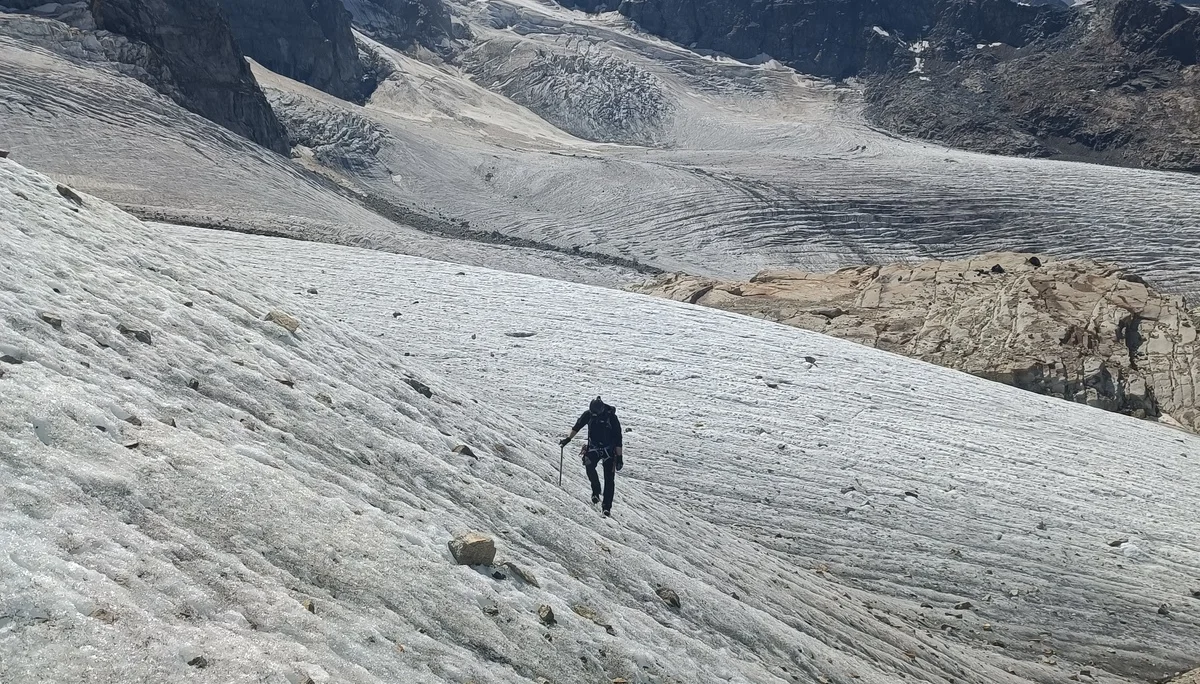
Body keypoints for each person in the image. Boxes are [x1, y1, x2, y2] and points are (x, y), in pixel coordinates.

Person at [560, 396, 623, 516]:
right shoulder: (588, 414)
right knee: (589, 465)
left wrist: (619, 457)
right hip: (594, 447)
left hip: (609, 450)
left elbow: (618, 438)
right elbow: (577, 426)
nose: (594, 415)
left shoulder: (611, 418)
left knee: (609, 479)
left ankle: (606, 507)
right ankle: (596, 490)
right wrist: (567, 439)